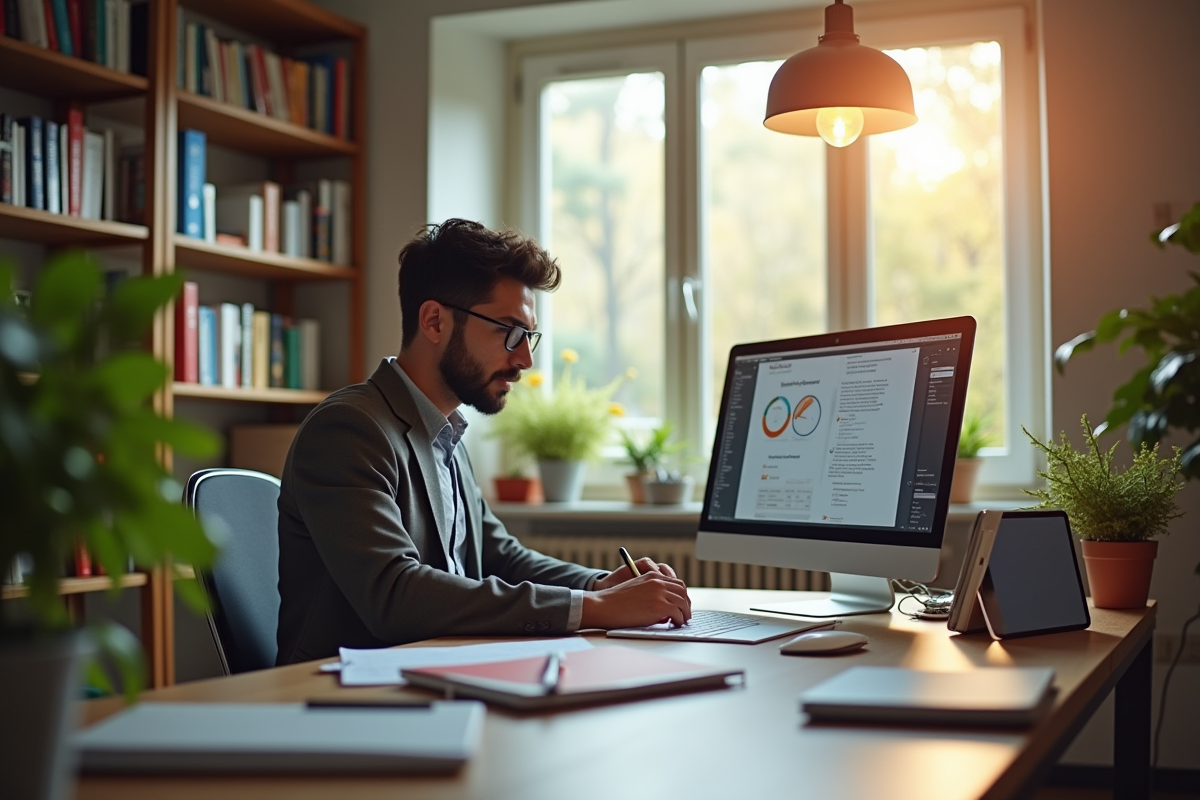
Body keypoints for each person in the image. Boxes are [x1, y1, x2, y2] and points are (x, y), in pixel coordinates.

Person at [275, 218, 692, 664]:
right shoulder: (348, 430)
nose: (525, 359)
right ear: (435, 321)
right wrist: (597, 610)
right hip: (341, 701)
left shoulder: (444, 433)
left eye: (529, 336)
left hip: (434, 674)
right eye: (509, 332)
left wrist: (600, 584)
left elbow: (503, 558)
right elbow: (393, 594)